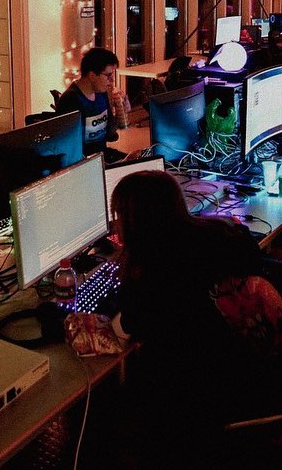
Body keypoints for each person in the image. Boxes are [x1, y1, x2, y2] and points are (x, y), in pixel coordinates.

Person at [110, 170, 265, 461]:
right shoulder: (218, 232)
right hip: (239, 361)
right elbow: (253, 258)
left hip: (188, 392)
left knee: (115, 394)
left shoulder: (147, 271)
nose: (115, 224)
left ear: (135, 221)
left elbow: (132, 325)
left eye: (118, 216)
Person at [54, 47, 120, 156]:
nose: (112, 80)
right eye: (108, 75)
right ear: (92, 75)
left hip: (101, 155)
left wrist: (119, 110)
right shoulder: (71, 100)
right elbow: (69, 148)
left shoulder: (101, 93)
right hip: (84, 161)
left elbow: (109, 134)